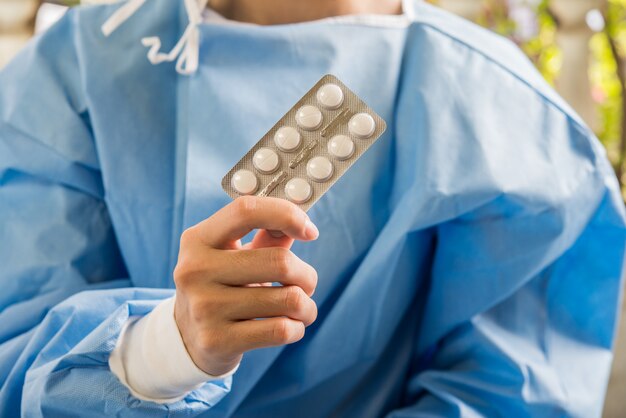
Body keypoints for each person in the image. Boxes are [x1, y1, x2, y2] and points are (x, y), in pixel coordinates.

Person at [0, 0, 624, 416]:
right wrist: (162, 350)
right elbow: (18, 367)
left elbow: (507, 394)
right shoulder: (79, 69)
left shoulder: (507, 117)